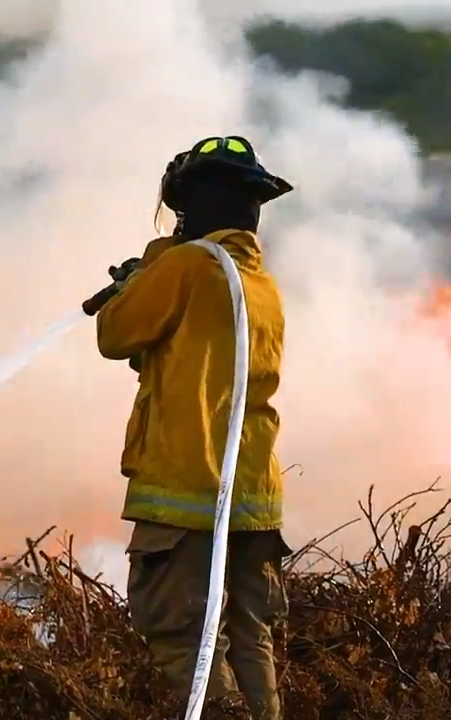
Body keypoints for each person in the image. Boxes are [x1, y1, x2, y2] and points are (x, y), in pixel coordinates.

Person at [92, 136, 293, 720]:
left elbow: (115, 334)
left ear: (195, 205)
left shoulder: (185, 266)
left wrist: (145, 273)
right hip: (254, 499)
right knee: (249, 641)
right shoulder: (263, 286)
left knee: (183, 640)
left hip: (188, 498)